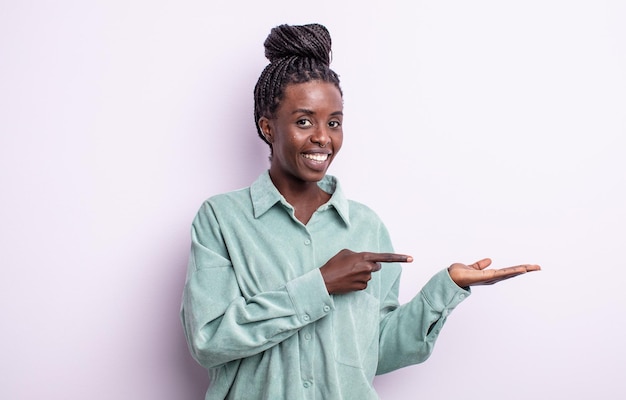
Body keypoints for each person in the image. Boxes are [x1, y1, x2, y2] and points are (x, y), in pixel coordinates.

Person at [180, 23, 540, 400]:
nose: (323, 137)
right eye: (304, 121)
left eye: (333, 122)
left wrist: (446, 288)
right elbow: (208, 340)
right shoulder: (221, 219)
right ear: (268, 127)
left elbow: (376, 352)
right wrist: (320, 284)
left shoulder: (367, 227)